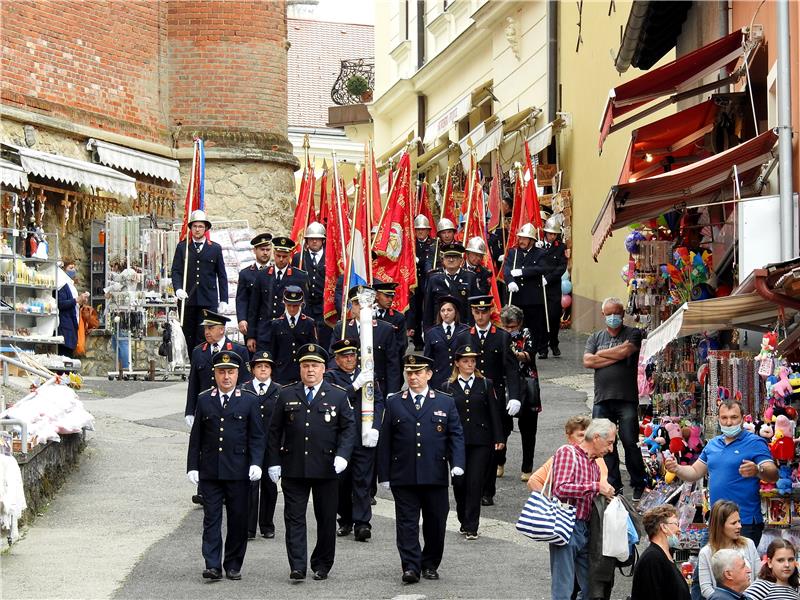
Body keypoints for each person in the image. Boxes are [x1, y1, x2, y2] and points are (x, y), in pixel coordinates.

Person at [266, 343, 356, 581]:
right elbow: (274, 431)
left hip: (327, 467)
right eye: (305, 365)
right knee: (294, 518)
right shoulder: (286, 394)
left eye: (315, 365)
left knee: (326, 519)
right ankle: (297, 565)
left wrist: (342, 455)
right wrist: (274, 462)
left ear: (324, 368)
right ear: (300, 369)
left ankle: (322, 563)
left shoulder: (338, 394)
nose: (310, 370)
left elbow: (348, 429)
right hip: (294, 465)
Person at [377, 354, 466, 584]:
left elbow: (455, 435)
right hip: (403, 474)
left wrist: (457, 464)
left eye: (418, 372)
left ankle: (430, 563)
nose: (413, 377)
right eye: (409, 373)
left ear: (429, 374)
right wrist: (384, 474)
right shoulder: (395, 401)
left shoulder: (445, 401)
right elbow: (385, 441)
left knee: (436, 522)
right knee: (406, 523)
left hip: (434, 473)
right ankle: (410, 566)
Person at [186, 350, 265, 581]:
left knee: (238, 519)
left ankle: (232, 564)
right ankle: (212, 565)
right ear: (215, 374)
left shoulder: (249, 399)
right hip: (211, 470)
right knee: (211, 519)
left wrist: (256, 463)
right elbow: (196, 437)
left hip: (239, 470)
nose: (226, 377)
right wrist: (193, 466)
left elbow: (257, 436)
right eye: (222, 372)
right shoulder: (204, 398)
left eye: (230, 372)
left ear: (238, 374)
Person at [665, 399, 777, 546]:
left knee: (737, 567)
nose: (729, 422)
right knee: (707, 566)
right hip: (716, 521)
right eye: (724, 418)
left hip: (744, 522)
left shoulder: (755, 442)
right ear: (718, 419)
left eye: (734, 417)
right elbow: (694, 471)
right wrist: (677, 468)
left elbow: (773, 473)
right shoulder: (713, 444)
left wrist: (758, 470)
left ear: (743, 419)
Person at [454, 295, 520, 505]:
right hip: (469, 398)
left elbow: (511, 369)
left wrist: (515, 396)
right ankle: (469, 485)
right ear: (472, 312)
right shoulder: (464, 335)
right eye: (476, 312)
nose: (480, 316)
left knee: (492, 444)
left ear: (490, 311)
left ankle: (487, 490)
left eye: (484, 312)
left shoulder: (501, 336)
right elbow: (454, 366)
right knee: (470, 441)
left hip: (494, 398)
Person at [583, 296, 648, 499]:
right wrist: (616, 354)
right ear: (603, 315)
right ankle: (614, 484)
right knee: (604, 444)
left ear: (623, 314)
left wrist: (600, 357)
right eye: (609, 313)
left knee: (630, 442)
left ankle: (639, 482)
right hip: (602, 399)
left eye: (617, 313)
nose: (613, 317)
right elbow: (587, 361)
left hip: (626, 398)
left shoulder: (633, 333)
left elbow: (627, 351)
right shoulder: (595, 338)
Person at [184, 310, 251, 506]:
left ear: (222, 330)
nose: (207, 331)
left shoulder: (237, 350)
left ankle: (227, 487)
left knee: (228, 445)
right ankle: (204, 490)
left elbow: (245, 383)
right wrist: (190, 410)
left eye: (211, 328)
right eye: (205, 328)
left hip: (232, 407)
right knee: (206, 446)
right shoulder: (199, 351)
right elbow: (194, 383)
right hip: (207, 408)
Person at [548, 418, 617, 600]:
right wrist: (596, 487)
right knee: (563, 587)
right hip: (566, 524)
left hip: (586, 529)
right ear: (596, 437)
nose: (611, 449)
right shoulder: (568, 452)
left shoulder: (594, 465)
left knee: (591, 587)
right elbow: (560, 488)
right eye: (609, 443)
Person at [323, 338, 384, 542]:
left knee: (362, 481)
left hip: (363, 435)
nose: (350, 359)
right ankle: (346, 519)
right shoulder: (330, 377)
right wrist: (354, 387)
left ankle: (363, 523)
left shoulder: (367, 374)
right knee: (342, 482)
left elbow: (379, 401)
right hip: (340, 439)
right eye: (345, 356)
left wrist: (375, 428)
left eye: (352, 355)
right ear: (337, 359)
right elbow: (332, 400)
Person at [440, 345, 503, 540]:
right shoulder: (447, 387)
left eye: (473, 361)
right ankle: (463, 518)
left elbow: (494, 412)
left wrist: (499, 437)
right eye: (465, 361)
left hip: (480, 440)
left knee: (475, 482)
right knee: (459, 482)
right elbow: (443, 417)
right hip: (455, 442)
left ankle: (472, 525)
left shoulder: (485, 384)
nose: (469, 364)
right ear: (457, 363)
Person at [170, 210, 229, 351]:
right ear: (190, 228)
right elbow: (176, 271)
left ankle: (204, 366)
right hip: (188, 299)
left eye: (200, 226)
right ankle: (192, 366)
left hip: (207, 299)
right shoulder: (182, 247)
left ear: (206, 228)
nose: (197, 229)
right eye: (195, 226)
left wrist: (224, 300)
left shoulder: (214, 248)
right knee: (188, 335)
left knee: (206, 334)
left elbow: (221, 275)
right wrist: (178, 288)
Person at [330, 285, 402, 395]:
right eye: (357, 303)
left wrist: (392, 393)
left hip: (377, 388)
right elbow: (332, 358)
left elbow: (392, 365)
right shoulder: (342, 328)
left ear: (373, 305)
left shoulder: (385, 329)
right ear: (351, 306)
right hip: (348, 386)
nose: (361, 307)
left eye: (365, 303)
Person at [246, 236, 309, 353]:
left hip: (288, 332)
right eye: (278, 256)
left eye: (284, 257)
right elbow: (254, 307)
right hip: (265, 331)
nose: (281, 259)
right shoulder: (262, 275)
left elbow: (304, 307)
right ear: (274, 254)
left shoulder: (299, 277)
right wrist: (251, 335)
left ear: (290, 256)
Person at [501, 304, 540, 481]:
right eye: (506, 326)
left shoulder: (527, 333)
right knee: (502, 427)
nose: (510, 330)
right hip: (505, 384)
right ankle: (499, 461)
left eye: (513, 326)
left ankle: (527, 467)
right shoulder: (499, 335)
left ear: (520, 323)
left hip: (527, 382)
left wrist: (514, 354)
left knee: (528, 429)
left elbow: (530, 354)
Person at [244, 351, 280, 540]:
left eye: (267, 366)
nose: (263, 369)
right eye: (259, 366)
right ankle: (249, 527)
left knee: (269, 486)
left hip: (271, 446)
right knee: (250, 486)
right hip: (249, 446)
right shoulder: (244, 388)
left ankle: (267, 524)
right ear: (253, 369)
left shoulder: (279, 391)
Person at [697, 500, 761, 598]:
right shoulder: (706, 553)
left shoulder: (748, 544)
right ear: (720, 526)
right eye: (733, 523)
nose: (739, 526)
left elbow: (759, 576)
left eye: (739, 521)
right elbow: (706, 587)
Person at [528, 415, 609, 492]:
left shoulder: (598, 457)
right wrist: (549, 503)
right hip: (569, 505)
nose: (585, 440)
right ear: (569, 438)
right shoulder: (564, 458)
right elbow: (534, 481)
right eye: (581, 435)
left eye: (588, 436)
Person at [631, 504, 692, 600]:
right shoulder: (652, 559)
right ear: (663, 527)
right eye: (676, 524)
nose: (679, 529)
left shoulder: (665, 553)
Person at [263, 286, 317, 384]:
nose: (292, 309)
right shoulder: (276, 324)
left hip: (302, 372)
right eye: (289, 305)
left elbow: (313, 349)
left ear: (301, 304)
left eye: (295, 305)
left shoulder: (309, 323)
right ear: (284, 303)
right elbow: (272, 351)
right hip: (282, 372)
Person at [530, 217, 567, 359]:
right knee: (541, 318)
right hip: (539, 286)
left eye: (555, 234)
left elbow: (561, 267)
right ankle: (542, 348)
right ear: (545, 233)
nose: (552, 236)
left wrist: (549, 278)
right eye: (550, 234)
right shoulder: (538, 246)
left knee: (553, 316)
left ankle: (554, 343)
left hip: (553, 286)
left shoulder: (560, 247)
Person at [292, 222, 330, 349]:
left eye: (317, 238)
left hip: (323, 307)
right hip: (305, 306)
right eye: (311, 239)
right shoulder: (299, 258)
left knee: (323, 340)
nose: (314, 241)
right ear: (306, 240)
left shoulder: (329, 258)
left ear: (323, 240)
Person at [503, 222, 544, 340]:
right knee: (516, 327)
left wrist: (522, 272)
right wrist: (510, 281)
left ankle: (532, 352)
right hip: (517, 297)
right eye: (520, 237)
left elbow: (541, 269)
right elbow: (507, 269)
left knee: (533, 329)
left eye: (525, 238)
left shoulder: (540, 253)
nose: (521, 240)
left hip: (532, 299)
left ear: (532, 240)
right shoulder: (513, 252)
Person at [423, 242, 479, 329]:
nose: (451, 260)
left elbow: (475, 306)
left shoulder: (470, 277)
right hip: (439, 328)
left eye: (455, 257)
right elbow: (428, 308)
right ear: (443, 260)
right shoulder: (434, 278)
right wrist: (427, 330)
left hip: (463, 326)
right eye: (448, 257)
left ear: (461, 260)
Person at [423, 296, 469, 390]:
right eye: (442, 310)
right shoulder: (431, 333)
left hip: (460, 379)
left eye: (449, 310)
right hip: (438, 380)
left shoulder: (465, 330)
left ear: (455, 312)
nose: (445, 313)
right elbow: (428, 360)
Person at [235, 233, 272, 337]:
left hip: (271, 323)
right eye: (262, 249)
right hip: (252, 323)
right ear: (255, 250)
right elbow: (242, 299)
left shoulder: (276, 272)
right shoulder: (245, 274)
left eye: (268, 250)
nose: (265, 253)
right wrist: (242, 319)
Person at [408, 214, 435, 349]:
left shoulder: (434, 244)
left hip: (428, 281)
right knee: (415, 310)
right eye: (418, 229)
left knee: (428, 311)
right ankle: (417, 340)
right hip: (415, 282)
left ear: (428, 231)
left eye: (423, 229)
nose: (420, 232)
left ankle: (430, 338)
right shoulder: (411, 244)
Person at [56, 265, 89, 358]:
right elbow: (60, 304)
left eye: (74, 267)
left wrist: (80, 302)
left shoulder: (70, 284)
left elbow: (74, 305)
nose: (74, 270)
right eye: (70, 267)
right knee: (65, 357)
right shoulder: (61, 284)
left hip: (71, 326)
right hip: (64, 326)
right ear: (64, 269)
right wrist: (76, 300)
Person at [373, 280, 408, 355]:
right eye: (387, 296)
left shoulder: (398, 318)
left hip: (391, 359)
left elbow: (402, 344)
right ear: (376, 296)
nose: (390, 300)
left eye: (392, 296)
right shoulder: (367, 315)